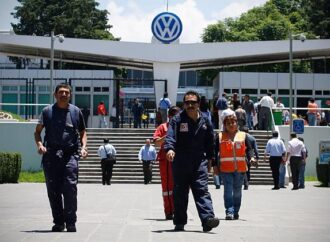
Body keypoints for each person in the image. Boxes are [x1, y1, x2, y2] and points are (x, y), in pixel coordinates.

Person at [34, 83, 88, 232]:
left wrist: (83, 148)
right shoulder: (47, 111)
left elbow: (83, 132)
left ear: (70, 95)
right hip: (51, 155)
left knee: (70, 188)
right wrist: (39, 145)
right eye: (61, 92)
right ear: (55, 94)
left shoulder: (76, 112)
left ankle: (71, 222)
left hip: (70, 155)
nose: (63, 95)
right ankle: (58, 222)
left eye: (66, 93)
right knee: (53, 190)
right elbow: (37, 132)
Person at [164, 90, 219, 232]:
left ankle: (208, 220)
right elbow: (170, 136)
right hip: (181, 161)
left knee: (202, 190)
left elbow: (210, 141)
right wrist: (170, 149)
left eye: (193, 102)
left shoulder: (206, 120)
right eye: (187, 103)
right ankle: (180, 221)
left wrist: (211, 160)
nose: (189, 105)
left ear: (198, 104)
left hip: (199, 161)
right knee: (180, 192)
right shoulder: (177, 119)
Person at [214, 109, 254, 220]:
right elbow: (214, 153)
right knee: (227, 191)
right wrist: (214, 167)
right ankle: (229, 212)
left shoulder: (243, 136)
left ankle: (236, 211)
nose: (231, 125)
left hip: (240, 170)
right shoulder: (219, 136)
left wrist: (252, 158)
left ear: (237, 123)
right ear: (225, 125)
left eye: (233, 122)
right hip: (225, 169)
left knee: (237, 192)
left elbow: (249, 150)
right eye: (228, 123)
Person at [153, 106, 180, 220]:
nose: (176, 117)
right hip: (166, 161)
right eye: (174, 115)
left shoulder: (183, 127)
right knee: (167, 187)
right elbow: (157, 143)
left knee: (180, 187)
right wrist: (167, 136)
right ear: (169, 116)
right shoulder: (163, 127)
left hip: (180, 160)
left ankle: (178, 210)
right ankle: (169, 211)